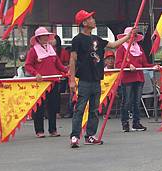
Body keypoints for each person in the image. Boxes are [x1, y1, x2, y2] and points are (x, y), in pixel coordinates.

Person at [68, 10, 134, 148]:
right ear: (84, 23)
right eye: (90, 18)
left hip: (96, 79)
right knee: (80, 108)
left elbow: (114, 45)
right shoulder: (77, 40)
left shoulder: (97, 39)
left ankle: (90, 135)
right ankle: (75, 135)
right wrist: (72, 80)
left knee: (94, 109)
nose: (93, 20)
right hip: (84, 80)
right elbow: (72, 60)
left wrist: (128, 36)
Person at [25, 27, 68, 138]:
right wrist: (36, 74)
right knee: (39, 108)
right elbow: (28, 65)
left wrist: (67, 70)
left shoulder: (51, 49)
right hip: (40, 83)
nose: (45, 38)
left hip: (53, 81)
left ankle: (52, 129)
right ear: (38, 38)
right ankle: (39, 130)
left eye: (46, 36)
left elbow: (58, 64)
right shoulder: (33, 50)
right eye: (43, 36)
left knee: (53, 106)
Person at [115, 27, 155, 132]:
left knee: (137, 102)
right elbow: (118, 64)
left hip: (139, 78)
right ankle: (125, 123)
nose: (133, 37)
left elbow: (144, 63)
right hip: (127, 78)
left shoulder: (139, 48)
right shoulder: (121, 49)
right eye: (131, 35)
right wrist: (128, 65)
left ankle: (136, 123)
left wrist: (153, 66)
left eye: (134, 35)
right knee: (126, 101)